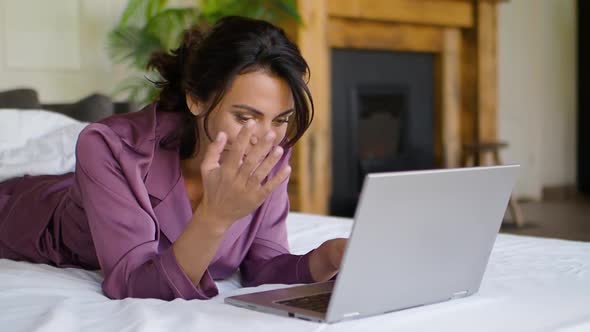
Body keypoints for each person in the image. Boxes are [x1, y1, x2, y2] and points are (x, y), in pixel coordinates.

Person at [0, 16, 347, 301]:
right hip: (22, 214)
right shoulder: (109, 146)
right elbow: (134, 283)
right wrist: (216, 216)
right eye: (244, 117)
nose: (265, 138)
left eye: (281, 120)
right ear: (195, 99)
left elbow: (264, 267)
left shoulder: (269, 149)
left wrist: (328, 257)